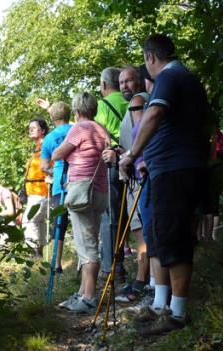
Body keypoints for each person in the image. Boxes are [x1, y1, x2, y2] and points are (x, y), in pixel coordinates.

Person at [119, 34, 210, 334]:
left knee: (175, 237)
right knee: (161, 236)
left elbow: (155, 113)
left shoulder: (170, 77)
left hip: (175, 169)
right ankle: (161, 305)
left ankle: (178, 314)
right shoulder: (188, 80)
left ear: (150, 57)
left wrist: (132, 154)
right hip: (170, 169)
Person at [53, 92, 110, 313]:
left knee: (88, 249)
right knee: (90, 242)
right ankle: (81, 293)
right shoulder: (100, 129)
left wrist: (61, 154)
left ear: (77, 111)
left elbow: (59, 154)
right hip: (100, 191)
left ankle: (88, 298)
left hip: (82, 191)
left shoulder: (80, 128)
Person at [103, 65, 150, 302]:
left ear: (140, 81)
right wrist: (122, 151)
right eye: (121, 82)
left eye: (129, 81)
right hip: (135, 171)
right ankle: (147, 281)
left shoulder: (139, 102)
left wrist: (126, 157)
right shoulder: (136, 104)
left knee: (142, 232)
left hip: (139, 174)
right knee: (141, 229)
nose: (124, 86)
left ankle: (142, 283)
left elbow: (144, 135)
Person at [95, 67, 129, 283]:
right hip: (132, 160)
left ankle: (112, 269)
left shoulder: (102, 105)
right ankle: (122, 261)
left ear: (104, 85)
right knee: (127, 215)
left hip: (112, 164)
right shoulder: (131, 101)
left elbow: (98, 138)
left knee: (110, 217)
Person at [38, 100, 72, 273]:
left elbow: (43, 166)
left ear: (52, 117)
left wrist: (54, 172)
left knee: (59, 224)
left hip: (60, 185)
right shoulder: (76, 129)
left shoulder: (49, 139)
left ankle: (56, 264)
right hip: (80, 180)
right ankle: (86, 262)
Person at [23, 118, 50, 256]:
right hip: (34, 192)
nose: (31, 129)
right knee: (37, 222)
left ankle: (33, 254)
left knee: (28, 220)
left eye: (34, 127)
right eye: (30, 127)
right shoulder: (37, 150)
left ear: (43, 130)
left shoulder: (46, 145)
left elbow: (50, 165)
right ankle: (38, 254)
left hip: (41, 190)